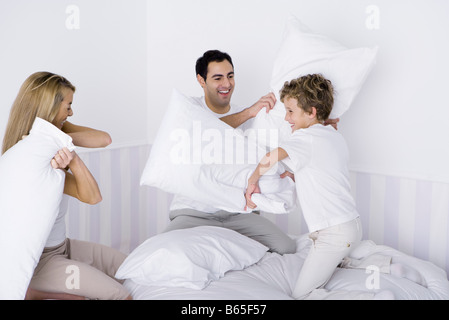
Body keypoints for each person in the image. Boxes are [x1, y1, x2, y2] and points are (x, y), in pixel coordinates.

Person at [2, 71, 131, 300]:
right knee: (120, 295)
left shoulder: (53, 140)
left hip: (63, 247)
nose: (71, 112)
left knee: (132, 267)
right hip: (45, 262)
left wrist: (59, 136)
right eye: (68, 106)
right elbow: (93, 197)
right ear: (50, 109)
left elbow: (105, 139)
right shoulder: (34, 160)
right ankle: (36, 292)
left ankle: (39, 293)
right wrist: (73, 158)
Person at [164, 49, 297, 255]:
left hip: (237, 212)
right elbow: (202, 134)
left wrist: (317, 125)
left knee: (286, 247)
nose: (226, 84)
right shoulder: (189, 108)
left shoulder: (247, 116)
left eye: (230, 76)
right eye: (218, 78)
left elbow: (269, 153)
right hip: (194, 213)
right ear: (201, 80)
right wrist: (248, 113)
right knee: (165, 250)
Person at [245, 74, 365, 299]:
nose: (287, 118)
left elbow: (270, 158)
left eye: (291, 111)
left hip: (334, 233)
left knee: (302, 295)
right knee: (334, 264)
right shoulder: (332, 135)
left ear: (311, 112)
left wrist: (252, 183)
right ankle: (380, 265)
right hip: (351, 226)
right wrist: (292, 173)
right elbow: (319, 168)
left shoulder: (305, 139)